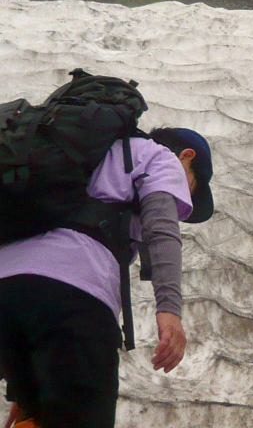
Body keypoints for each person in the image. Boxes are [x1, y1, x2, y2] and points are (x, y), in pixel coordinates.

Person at [0, 127, 214, 428]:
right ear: (187, 157)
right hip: (74, 298)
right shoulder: (157, 156)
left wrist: (25, 394)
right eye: (191, 185)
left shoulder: (72, 152)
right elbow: (162, 230)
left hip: (6, 291)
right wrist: (169, 310)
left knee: (39, 416)